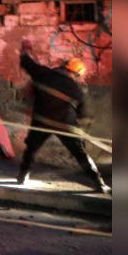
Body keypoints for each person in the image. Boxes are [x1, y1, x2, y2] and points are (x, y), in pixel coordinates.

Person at [16, 39, 109, 192]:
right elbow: (82, 113)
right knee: (81, 155)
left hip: (41, 122)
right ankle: (99, 184)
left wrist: (25, 50)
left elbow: (26, 62)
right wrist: (80, 124)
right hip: (66, 126)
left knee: (31, 149)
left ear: (64, 66)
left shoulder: (43, 73)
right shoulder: (76, 89)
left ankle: (22, 177)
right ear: (76, 73)